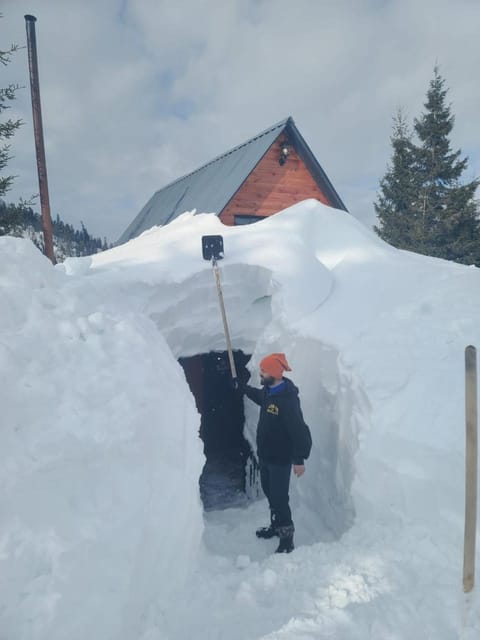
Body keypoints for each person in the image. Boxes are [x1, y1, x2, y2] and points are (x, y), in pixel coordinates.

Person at [241, 353, 312, 553]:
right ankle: (275, 526)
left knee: (280, 499)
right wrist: (243, 388)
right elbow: (258, 396)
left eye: (263, 372)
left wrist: (299, 459)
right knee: (271, 494)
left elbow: (300, 431)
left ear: (274, 374)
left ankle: (286, 539)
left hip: (280, 459)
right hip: (265, 456)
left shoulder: (287, 401)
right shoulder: (268, 391)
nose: (260, 374)